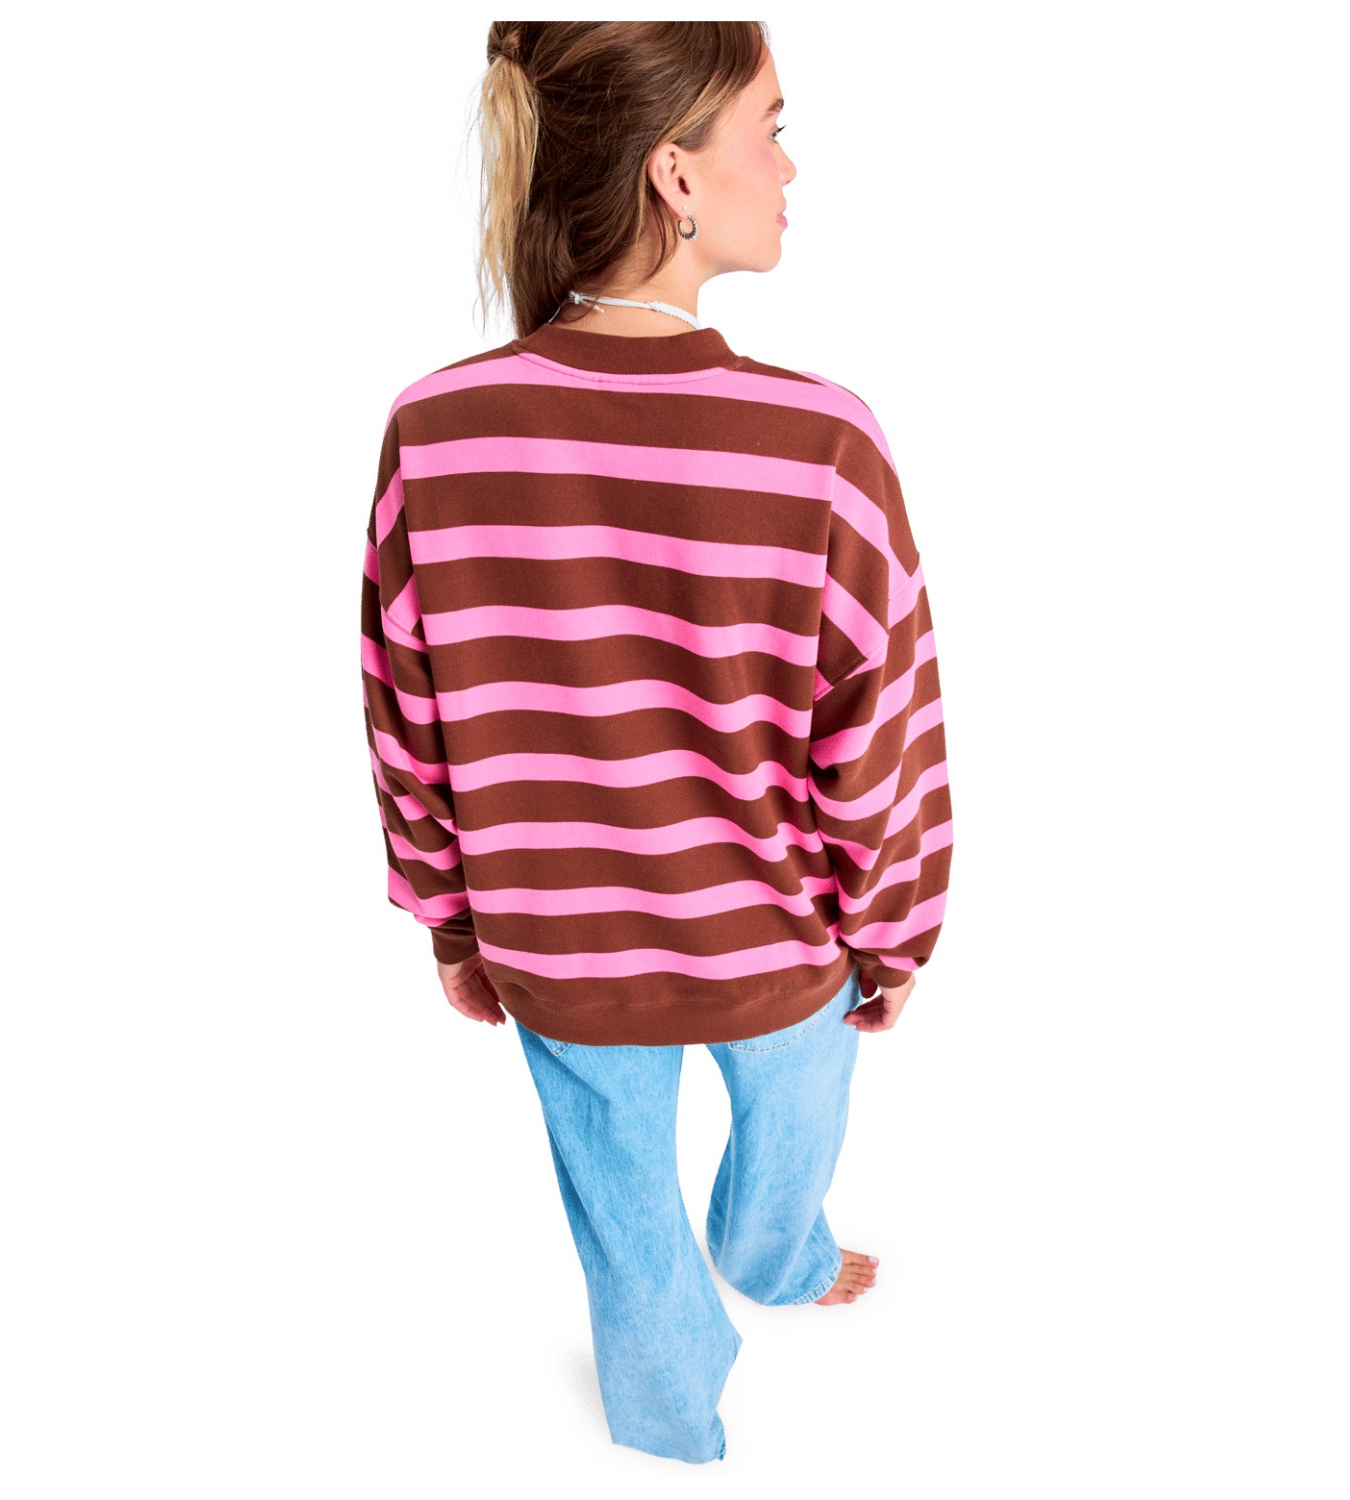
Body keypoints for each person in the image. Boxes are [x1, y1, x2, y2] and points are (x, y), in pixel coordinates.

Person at [359, 20, 954, 1465]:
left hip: (555, 943)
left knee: (621, 1214)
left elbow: (403, 707)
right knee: (792, 1138)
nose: (791, 167)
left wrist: (453, 920)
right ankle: (774, 1254)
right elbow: (880, 729)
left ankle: (665, 1417)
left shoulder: (435, 430)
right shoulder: (822, 444)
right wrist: (894, 935)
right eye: (772, 128)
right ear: (676, 176)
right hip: (778, 940)